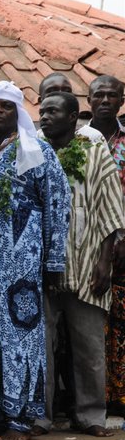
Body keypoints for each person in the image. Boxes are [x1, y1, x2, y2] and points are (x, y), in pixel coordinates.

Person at [0, 81, 70, 440]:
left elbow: (57, 204)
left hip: (21, 264)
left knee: (20, 335)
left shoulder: (35, 150)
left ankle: (21, 418)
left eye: (5, 106)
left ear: (18, 112)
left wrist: (54, 262)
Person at [37, 91, 124, 437]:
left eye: (52, 111)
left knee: (88, 346)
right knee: (40, 347)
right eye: (41, 111)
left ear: (74, 116)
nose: (44, 117)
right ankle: (39, 415)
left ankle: (91, 415)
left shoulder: (93, 150)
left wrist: (105, 260)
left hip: (86, 262)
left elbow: (110, 206)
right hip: (42, 268)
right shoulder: (32, 151)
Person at [87, 74, 125, 417]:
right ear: (88, 99)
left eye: (112, 95)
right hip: (86, 247)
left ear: (121, 101)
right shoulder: (77, 140)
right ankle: (95, 397)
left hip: (123, 249)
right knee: (91, 324)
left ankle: (120, 397)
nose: (105, 100)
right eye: (99, 95)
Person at [37, 73, 103, 142]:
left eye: (67, 91)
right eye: (53, 91)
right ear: (40, 100)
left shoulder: (93, 137)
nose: (61, 96)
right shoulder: (35, 139)